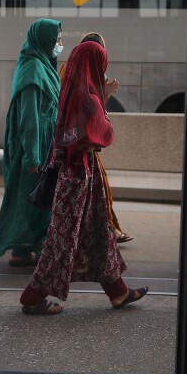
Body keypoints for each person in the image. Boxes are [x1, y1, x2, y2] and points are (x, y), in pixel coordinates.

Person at [19, 40, 149, 315]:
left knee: (99, 232)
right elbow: (105, 134)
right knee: (63, 240)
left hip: (76, 174)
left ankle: (119, 292)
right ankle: (32, 297)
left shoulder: (72, 91)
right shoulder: (88, 98)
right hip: (78, 177)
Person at [0, 18, 62, 267]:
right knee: (33, 199)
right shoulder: (32, 70)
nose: (60, 44)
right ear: (44, 40)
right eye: (57, 40)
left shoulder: (41, 65)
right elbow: (29, 117)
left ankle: (26, 249)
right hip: (35, 146)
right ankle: (30, 248)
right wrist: (33, 156)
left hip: (43, 143)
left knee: (33, 198)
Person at [74, 32, 133, 244]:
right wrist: (104, 93)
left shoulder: (80, 76)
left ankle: (109, 232)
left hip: (80, 154)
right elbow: (100, 127)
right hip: (82, 155)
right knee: (94, 200)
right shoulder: (84, 85)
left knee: (96, 199)